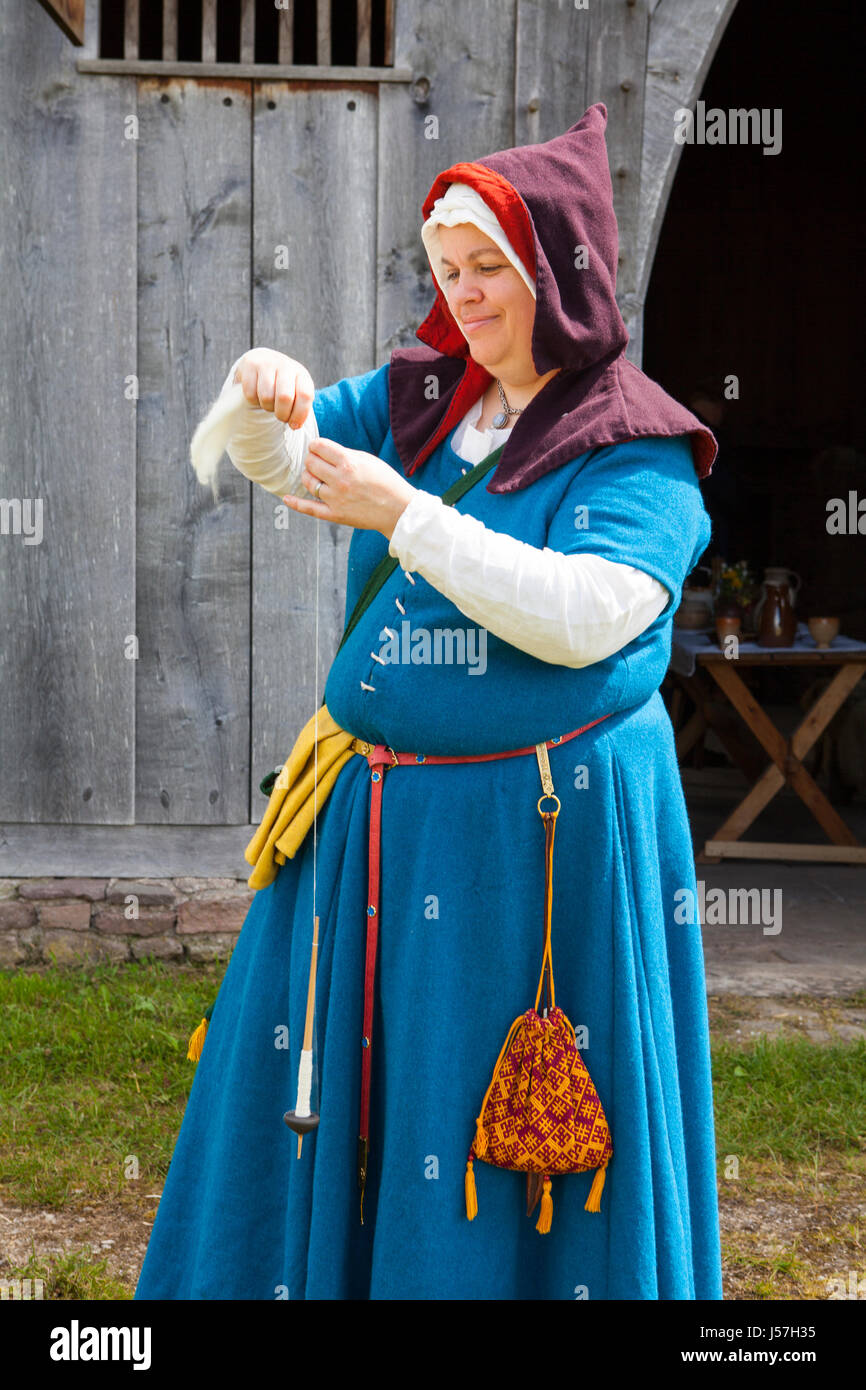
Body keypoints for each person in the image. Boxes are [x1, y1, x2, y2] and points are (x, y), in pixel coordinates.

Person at [135, 103, 723, 1301]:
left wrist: (404, 514)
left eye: (486, 272)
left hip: (533, 856)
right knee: (348, 1110)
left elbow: (579, 614)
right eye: (445, 271)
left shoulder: (633, 447)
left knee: (486, 1132)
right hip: (368, 831)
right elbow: (290, 466)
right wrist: (264, 398)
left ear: (557, 279)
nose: (460, 297)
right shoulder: (430, 397)